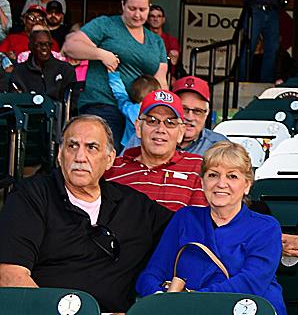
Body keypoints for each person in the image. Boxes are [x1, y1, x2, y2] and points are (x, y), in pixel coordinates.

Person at [0, 116, 175, 312]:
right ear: (60, 154)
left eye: (91, 147)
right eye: (72, 146)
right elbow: (11, 275)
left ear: (109, 159)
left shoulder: (135, 206)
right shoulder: (32, 196)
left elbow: (187, 229)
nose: (80, 157)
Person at [135, 142, 287, 313]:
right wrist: (161, 296)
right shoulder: (185, 218)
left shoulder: (266, 227)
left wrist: (192, 300)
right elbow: (153, 272)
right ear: (202, 182)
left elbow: (250, 283)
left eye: (232, 176)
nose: (221, 183)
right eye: (213, 175)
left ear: (247, 185)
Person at [63, 0, 168, 154]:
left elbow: (161, 80)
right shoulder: (106, 25)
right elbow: (70, 46)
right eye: (132, 8)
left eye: (142, 9)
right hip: (104, 104)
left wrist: (161, 111)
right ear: (122, 6)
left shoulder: (156, 41)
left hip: (139, 111)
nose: (137, 14)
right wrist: (101, 54)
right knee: (105, 155)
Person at [103, 90, 206, 211]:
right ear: (138, 128)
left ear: (181, 132)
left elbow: (198, 223)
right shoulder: (112, 168)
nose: (160, 129)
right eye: (152, 121)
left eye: (170, 123)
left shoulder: (198, 167)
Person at [127, 76, 230, 155]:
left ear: (207, 113)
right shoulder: (147, 137)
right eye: (184, 109)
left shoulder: (218, 146)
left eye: (197, 111)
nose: (189, 117)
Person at [7, 29, 75, 101]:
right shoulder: (19, 72)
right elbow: (14, 100)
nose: (44, 48)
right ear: (30, 46)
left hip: (58, 111)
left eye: (48, 44)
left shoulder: (65, 69)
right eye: (39, 45)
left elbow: (72, 101)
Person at [110, 74, 161, 151]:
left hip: (126, 146)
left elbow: (121, 95)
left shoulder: (129, 108)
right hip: (149, 148)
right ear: (154, 93)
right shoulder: (158, 112)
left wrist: (113, 75)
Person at [147, 5, 183, 81]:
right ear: (147, 19)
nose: (155, 19)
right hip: (145, 76)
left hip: (165, 76)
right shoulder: (142, 37)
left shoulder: (171, 40)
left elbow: (173, 61)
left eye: (159, 16)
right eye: (152, 16)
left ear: (163, 20)